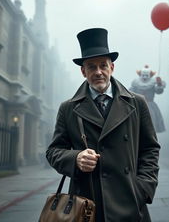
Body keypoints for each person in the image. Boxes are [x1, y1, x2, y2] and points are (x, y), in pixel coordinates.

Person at [46, 28, 160, 222]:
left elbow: (150, 149)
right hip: (87, 205)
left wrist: (143, 189)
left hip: (131, 202)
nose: (98, 72)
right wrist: (75, 158)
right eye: (91, 67)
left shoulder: (137, 103)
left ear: (112, 67)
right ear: (83, 71)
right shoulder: (68, 108)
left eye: (103, 65)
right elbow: (53, 151)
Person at [129, 65, 166, 133]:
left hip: (150, 105)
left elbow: (159, 91)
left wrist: (159, 84)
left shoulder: (153, 83)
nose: (145, 77)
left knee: (152, 123)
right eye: (143, 75)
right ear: (140, 74)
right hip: (138, 105)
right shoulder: (136, 83)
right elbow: (130, 93)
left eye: (146, 75)